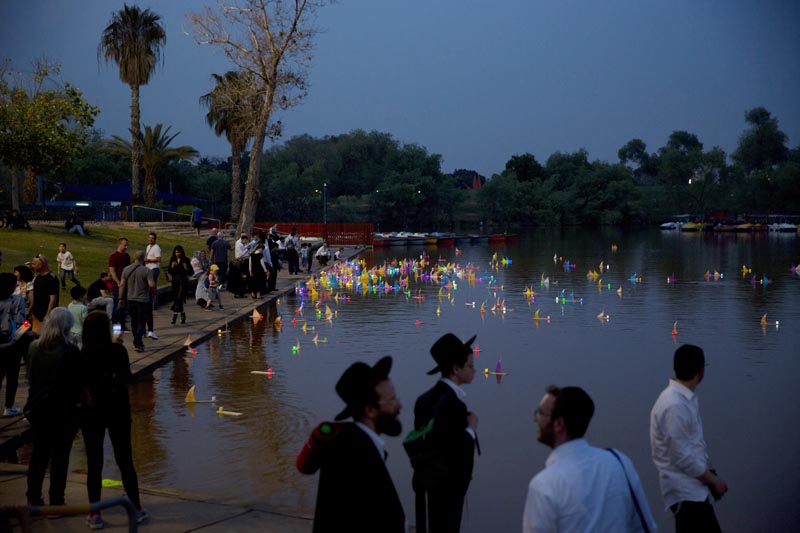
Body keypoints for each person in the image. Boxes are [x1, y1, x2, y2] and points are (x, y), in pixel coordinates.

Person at [523, 385, 657, 533]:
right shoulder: (619, 462)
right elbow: (646, 527)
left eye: (541, 413)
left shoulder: (543, 485)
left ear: (559, 424)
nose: (536, 418)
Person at [296, 356, 405, 532]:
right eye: (392, 400)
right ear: (370, 410)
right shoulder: (358, 454)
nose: (399, 406)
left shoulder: (348, 441)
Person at [80, 311, 148, 529]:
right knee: (125, 460)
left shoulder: (83, 354)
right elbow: (128, 379)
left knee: (94, 462)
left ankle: (95, 512)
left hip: (92, 411)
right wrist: (118, 345)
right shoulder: (117, 350)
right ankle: (136, 507)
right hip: (117, 409)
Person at [650, 344, 728, 532]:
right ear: (701, 372)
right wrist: (713, 481)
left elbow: (695, 445)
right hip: (685, 494)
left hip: (695, 490)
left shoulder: (683, 400)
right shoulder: (674, 405)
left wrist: (710, 474)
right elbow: (682, 456)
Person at [412, 333, 480, 533]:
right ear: (456, 369)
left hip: (425, 484)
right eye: (469, 366)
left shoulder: (424, 399)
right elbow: (455, 449)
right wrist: (471, 429)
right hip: (447, 489)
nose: (474, 370)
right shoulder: (453, 404)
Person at [24, 307, 82, 507]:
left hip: (40, 407)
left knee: (38, 454)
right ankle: (57, 499)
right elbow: (76, 383)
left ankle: (33, 497)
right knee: (60, 457)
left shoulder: (34, 347)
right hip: (64, 409)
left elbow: (30, 377)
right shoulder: (71, 350)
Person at [0, 272, 28, 417]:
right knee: (12, 376)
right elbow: (20, 322)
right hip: (12, 343)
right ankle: (8, 406)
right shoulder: (17, 300)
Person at [118, 251, 155, 353]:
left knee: (134, 321)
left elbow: (122, 285)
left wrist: (121, 298)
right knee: (141, 321)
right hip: (143, 300)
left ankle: (137, 341)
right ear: (144, 259)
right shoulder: (147, 271)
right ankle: (138, 342)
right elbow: (151, 285)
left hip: (131, 299)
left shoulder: (126, 269)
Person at [30, 255, 59, 334]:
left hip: (45, 318)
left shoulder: (51, 279)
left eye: (34, 264)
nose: (32, 266)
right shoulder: (38, 277)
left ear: (41, 265)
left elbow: (53, 298)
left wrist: (48, 315)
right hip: (36, 315)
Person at [108, 237, 131, 330]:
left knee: (124, 306)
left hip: (126, 283)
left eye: (127, 245)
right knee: (117, 305)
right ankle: (115, 325)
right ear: (119, 244)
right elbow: (112, 271)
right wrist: (118, 282)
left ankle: (122, 325)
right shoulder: (113, 257)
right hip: (118, 284)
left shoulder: (127, 256)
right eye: (124, 245)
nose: (126, 247)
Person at [166, 245, 192, 325]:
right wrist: (172, 267)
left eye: (179, 252)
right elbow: (170, 271)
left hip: (183, 281)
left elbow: (191, 272)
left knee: (179, 297)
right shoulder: (173, 259)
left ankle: (174, 315)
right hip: (175, 281)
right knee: (177, 298)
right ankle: (183, 314)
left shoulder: (186, 260)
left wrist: (186, 268)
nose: (177, 254)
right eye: (176, 252)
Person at [144, 232, 162, 340]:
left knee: (152, 285)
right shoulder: (148, 247)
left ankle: (153, 297)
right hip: (147, 269)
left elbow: (159, 259)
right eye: (149, 238)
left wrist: (149, 260)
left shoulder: (156, 247)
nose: (150, 239)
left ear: (155, 239)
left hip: (154, 269)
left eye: (152, 238)